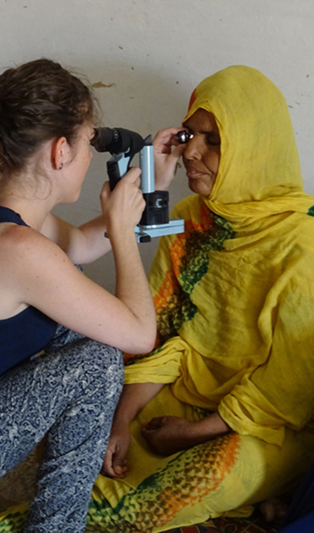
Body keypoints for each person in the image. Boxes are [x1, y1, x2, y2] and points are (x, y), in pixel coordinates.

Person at [0, 58, 157, 533]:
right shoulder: (18, 250)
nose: (91, 156)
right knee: (99, 360)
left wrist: (153, 180)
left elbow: (83, 245)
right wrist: (125, 233)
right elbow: (140, 334)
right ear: (60, 152)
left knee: (79, 321)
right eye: (89, 142)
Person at [86, 65, 314, 532]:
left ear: (255, 149)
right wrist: (121, 421)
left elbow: (287, 393)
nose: (191, 152)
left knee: (175, 491)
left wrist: (193, 433)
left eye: (213, 140)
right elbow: (161, 335)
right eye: (189, 135)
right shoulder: (193, 218)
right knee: (82, 432)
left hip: (264, 426)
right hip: (183, 389)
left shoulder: (304, 244)